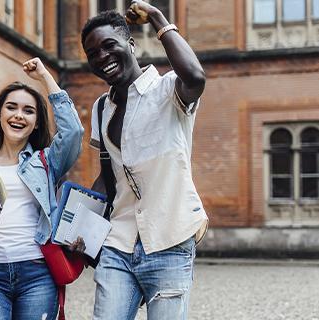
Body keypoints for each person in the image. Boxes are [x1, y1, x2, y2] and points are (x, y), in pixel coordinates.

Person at [81, 1, 209, 319]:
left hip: (169, 239)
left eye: (109, 45)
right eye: (93, 53)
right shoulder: (101, 107)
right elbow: (109, 177)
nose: (102, 56)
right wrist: (78, 226)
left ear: (131, 44)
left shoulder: (168, 90)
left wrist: (156, 17)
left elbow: (195, 77)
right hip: (118, 242)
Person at [0, 58, 83, 320]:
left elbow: (73, 132)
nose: (18, 115)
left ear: (37, 122)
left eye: (28, 111)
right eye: (11, 107)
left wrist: (45, 77)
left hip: (37, 273)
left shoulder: (46, 162)